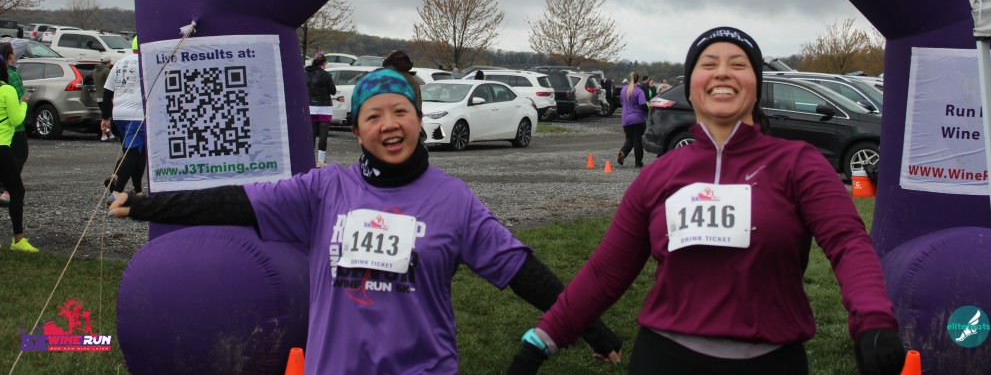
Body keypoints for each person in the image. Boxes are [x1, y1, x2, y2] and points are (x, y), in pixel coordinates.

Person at [109, 68, 622, 374]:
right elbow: (236, 202)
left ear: (418, 119)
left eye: (401, 112)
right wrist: (149, 204)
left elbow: (521, 271)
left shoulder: (453, 200)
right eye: (373, 116)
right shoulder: (324, 190)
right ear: (357, 131)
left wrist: (593, 330)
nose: (389, 125)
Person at [508, 27, 905, 375]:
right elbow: (605, 272)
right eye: (708, 64)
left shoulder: (799, 163)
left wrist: (873, 319)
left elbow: (848, 243)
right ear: (692, 85)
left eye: (738, 64)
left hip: (771, 361)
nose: (722, 72)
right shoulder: (659, 175)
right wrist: (541, 340)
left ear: (756, 84)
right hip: (664, 359)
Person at [1, 53, 38, 252]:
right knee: (16, 191)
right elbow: (16, 120)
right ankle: (18, 239)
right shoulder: (6, 89)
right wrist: (23, 103)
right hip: (2, 147)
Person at [102, 37, 146, 200]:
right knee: (132, 152)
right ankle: (116, 190)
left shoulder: (120, 63)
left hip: (118, 114)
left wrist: (105, 117)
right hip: (137, 114)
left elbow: (108, 92)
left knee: (136, 152)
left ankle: (138, 190)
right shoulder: (146, 62)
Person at [305, 55, 337, 167]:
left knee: (312, 134)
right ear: (323, 64)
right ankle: (321, 161)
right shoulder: (326, 75)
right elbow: (333, 91)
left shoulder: (307, 74)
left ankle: (310, 159)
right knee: (323, 135)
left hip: (311, 107)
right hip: (324, 108)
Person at [616, 72, 647, 169]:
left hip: (626, 119)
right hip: (638, 119)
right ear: (638, 79)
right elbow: (643, 105)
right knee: (637, 141)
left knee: (630, 139)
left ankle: (623, 153)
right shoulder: (639, 91)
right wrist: (648, 112)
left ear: (629, 79)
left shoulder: (623, 90)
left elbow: (622, 103)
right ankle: (638, 163)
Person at [92, 57, 115, 141]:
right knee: (106, 118)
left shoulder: (95, 70)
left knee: (104, 117)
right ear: (108, 62)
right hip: (106, 97)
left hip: (99, 98)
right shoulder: (106, 70)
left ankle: (110, 134)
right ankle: (104, 135)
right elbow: (112, 82)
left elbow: (88, 77)